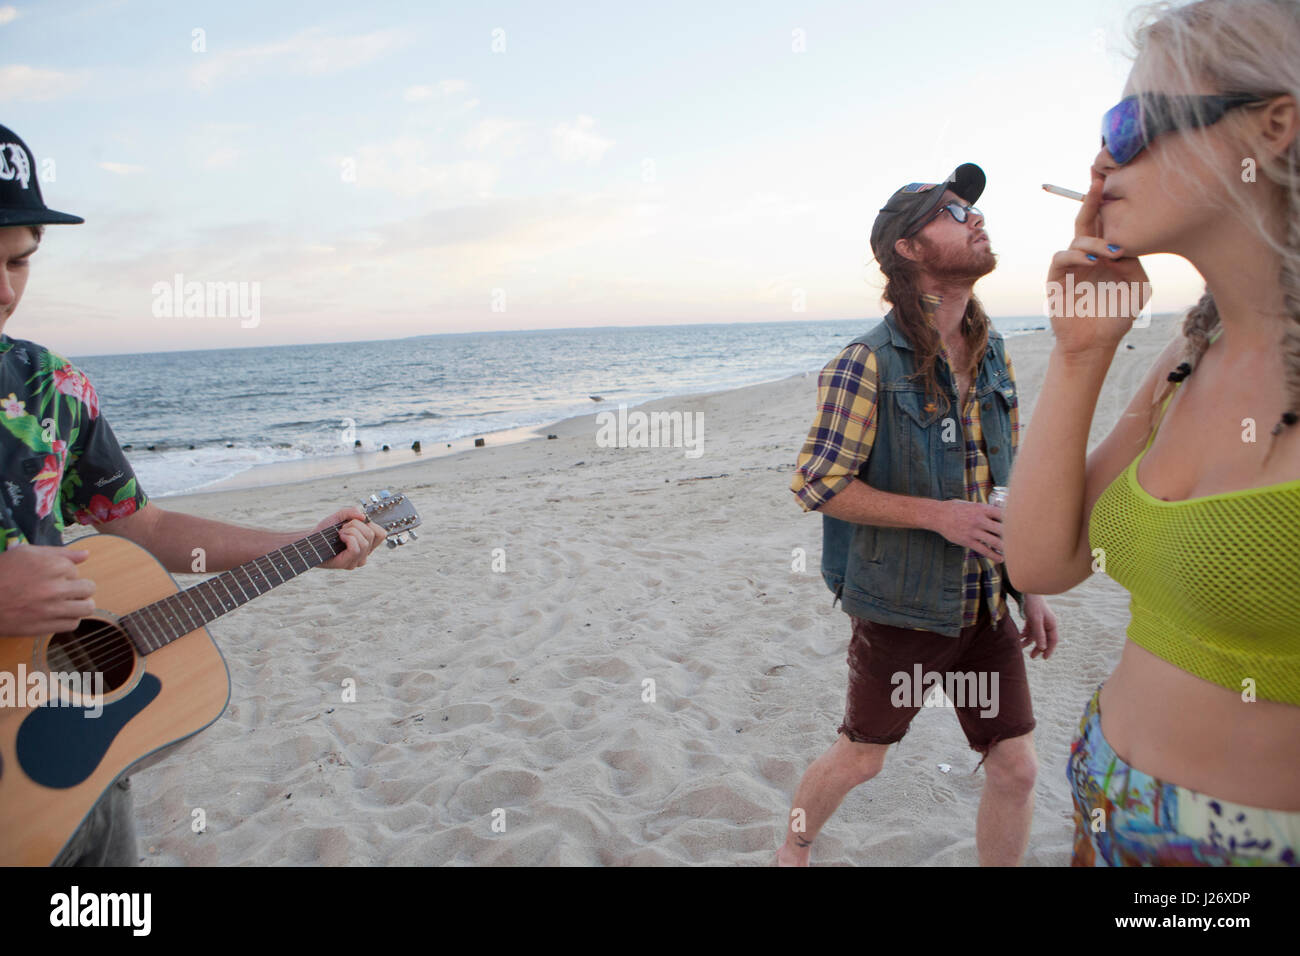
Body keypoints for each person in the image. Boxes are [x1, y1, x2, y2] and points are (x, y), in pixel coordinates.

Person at [0, 124, 387, 866]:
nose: (5, 290)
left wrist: (308, 550)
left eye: (21, 261)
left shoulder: (53, 385)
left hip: (77, 770)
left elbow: (140, 527)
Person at [1003, 0, 1300, 865]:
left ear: (1275, 124)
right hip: (1104, 793)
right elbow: (1044, 560)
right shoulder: (1189, 352)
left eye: (1133, 124)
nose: (1104, 158)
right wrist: (1082, 350)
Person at [778, 163, 1059, 867]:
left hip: (984, 607)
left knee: (1016, 767)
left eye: (973, 210)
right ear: (909, 248)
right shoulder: (865, 364)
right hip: (899, 607)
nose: (976, 219)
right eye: (955, 212)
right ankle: (792, 848)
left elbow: (1005, 482)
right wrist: (937, 516)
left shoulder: (993, 354)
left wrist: (1030, 584)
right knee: (861, 759)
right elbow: (817, 483)